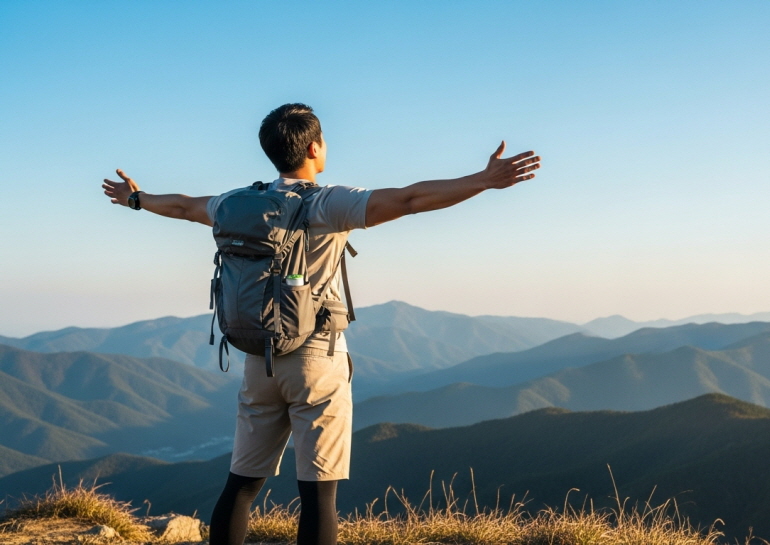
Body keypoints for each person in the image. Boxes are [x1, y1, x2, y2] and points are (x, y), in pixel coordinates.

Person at [100, 103, 541, 545]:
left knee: (242, 485)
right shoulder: (328, 202)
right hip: (316, 357)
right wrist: (482, 180)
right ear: (314, 147)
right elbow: (409, 199)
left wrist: (136, 199)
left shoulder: (235, 204)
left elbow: (182, 206)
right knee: (318, 496)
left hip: (258, 354)